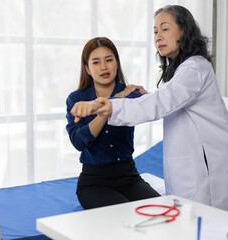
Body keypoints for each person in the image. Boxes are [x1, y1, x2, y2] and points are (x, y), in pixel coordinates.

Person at [70, 5, 228, 217]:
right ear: (87, 68)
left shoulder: (195, 68)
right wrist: (144, 97)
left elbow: (161, 103)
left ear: (183, 31)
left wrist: (103, 105)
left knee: (216, 223)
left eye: (164, 29)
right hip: (97, 179)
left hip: (210, 163)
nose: (158, 37)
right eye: (155, 31)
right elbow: (167, 101)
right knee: (197, 223)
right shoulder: (182, 71)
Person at [66, 37, 160, 210]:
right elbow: (79, 142)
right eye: (96, 62)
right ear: (87, 68)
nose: (103, 67)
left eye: (109, 60)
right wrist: (106, 111)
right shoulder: (77, 99)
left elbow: (157, 107)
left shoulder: (131, 94)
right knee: (122, 215)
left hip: (129, 178)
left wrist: (144, 95)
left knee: (160, 210)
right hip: (94, 183)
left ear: (117, 63)